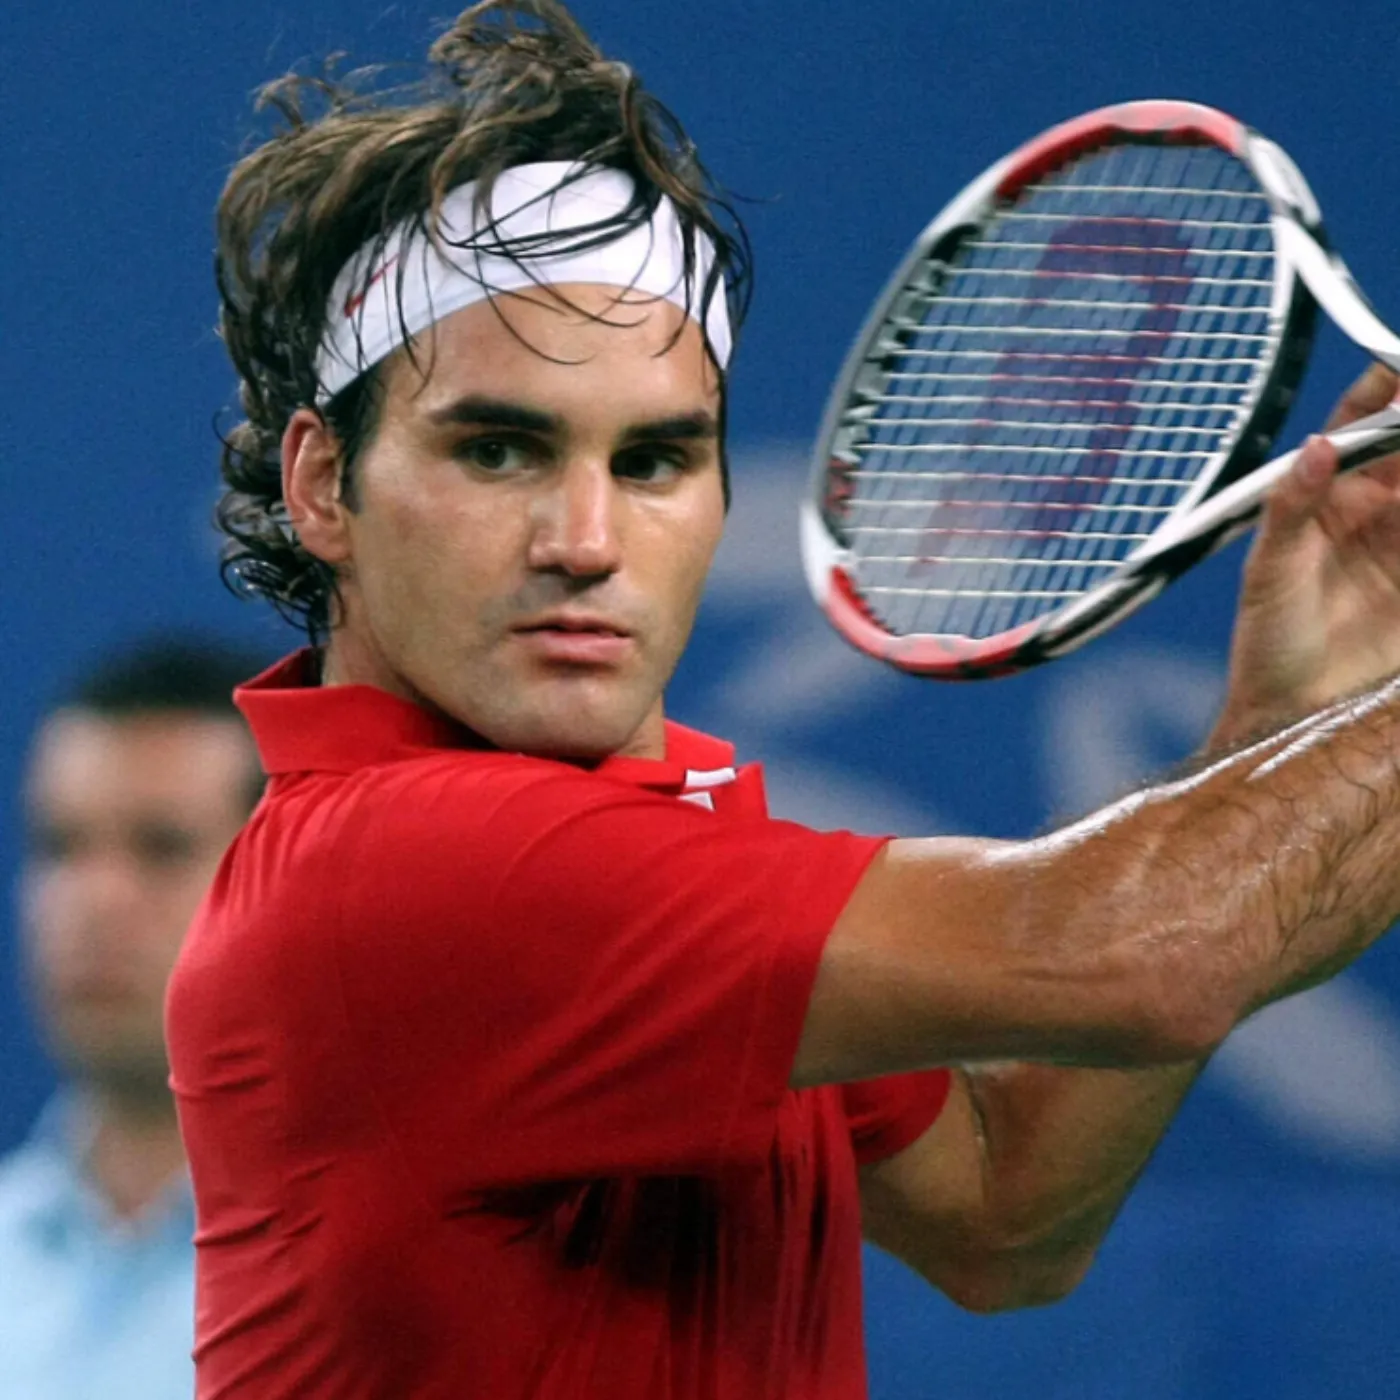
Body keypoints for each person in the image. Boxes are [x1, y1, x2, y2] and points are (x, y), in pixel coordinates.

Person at [167, 3, 1400, 1396]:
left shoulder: (646, 862)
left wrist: (1276, 721)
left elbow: (1005, 1211)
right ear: (322, 485)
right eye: (500, 451)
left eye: (653, 460)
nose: (586, 540)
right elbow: (1139, 952)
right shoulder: (411, 868)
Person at [0, 637, 264, 1400]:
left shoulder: (366, 1275)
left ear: (283, 882)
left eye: (162, 847)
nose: (94, 902)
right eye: (61, 847)